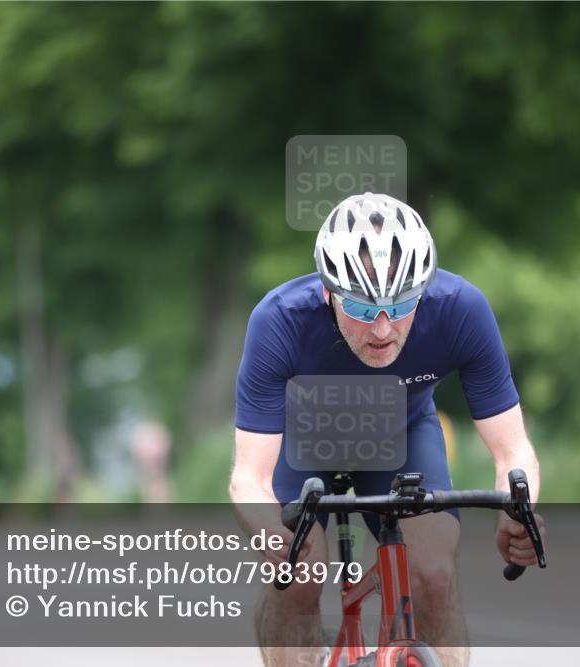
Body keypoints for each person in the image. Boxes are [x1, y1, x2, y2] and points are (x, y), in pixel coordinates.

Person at [229, 192, 544, 667]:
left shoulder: (461, 309)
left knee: (435, 573)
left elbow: (513, 450)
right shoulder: (278, 321)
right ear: (327, 291)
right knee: (299, 575)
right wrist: (272, 533)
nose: (381, 330)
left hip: (401, 431)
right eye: (360, 308)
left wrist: (517, 512)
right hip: (304, 441)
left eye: (400, 308)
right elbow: (248, 477)